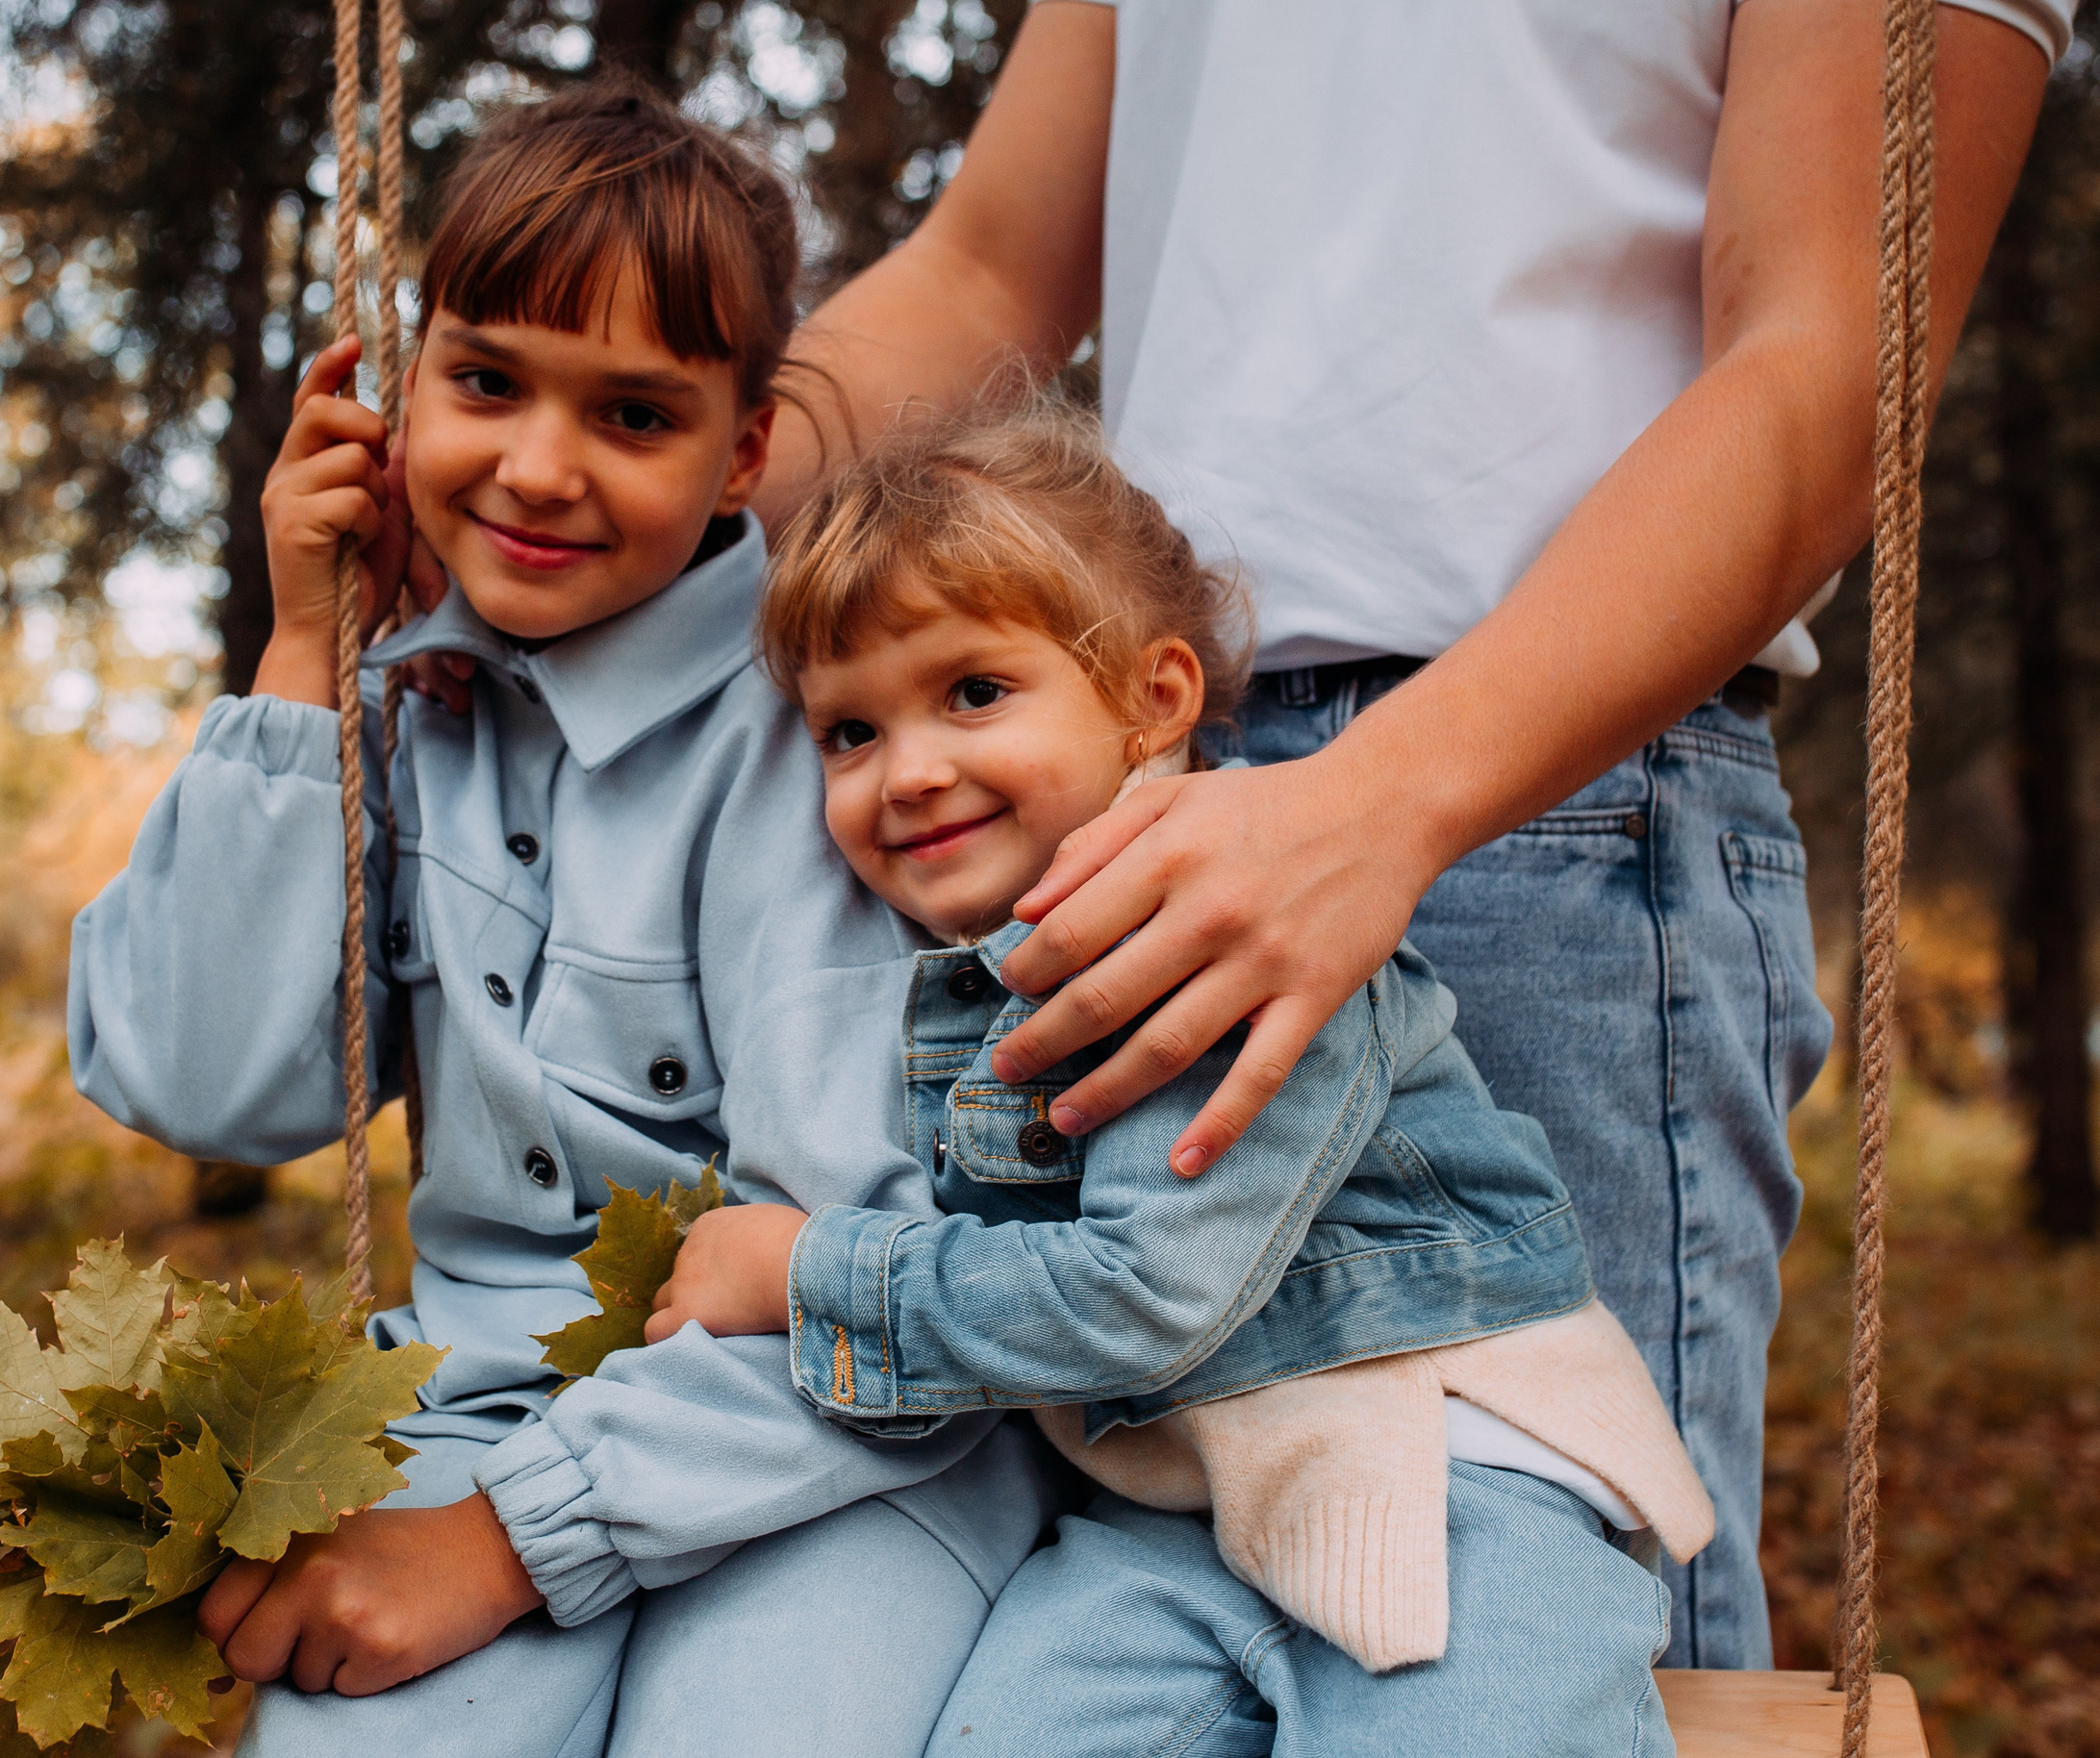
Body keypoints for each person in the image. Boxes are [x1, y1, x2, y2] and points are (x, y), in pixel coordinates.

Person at [752, 0, 2074, 1668]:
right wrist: (603, 475)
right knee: (1156, 1635)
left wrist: (1379, 805)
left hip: (1546, 800)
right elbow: (985, 272)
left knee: (1529, 1642)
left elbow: (1825, 362)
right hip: (1128, 801)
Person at [67, 85, 1051, 1756]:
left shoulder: (822, 739)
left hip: (836, 1444)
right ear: (401, 383)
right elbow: (206, 1082)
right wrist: (305, 661)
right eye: (486, 381)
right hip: (472, 1411)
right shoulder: (405, 711)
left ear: (746, 450)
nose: (538, 469)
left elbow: (890, 1259)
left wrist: (511, 1545)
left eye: (635, 417)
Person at [652, 404, 1713, 1754]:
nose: (907, 774)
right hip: (1180, 1517)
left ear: (1156, 702)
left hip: (1454, 1477)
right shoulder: (978, 981)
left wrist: (804, 1273)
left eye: (974, 692)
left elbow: (1143, 1296)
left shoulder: (1229, 937)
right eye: (847, 732)